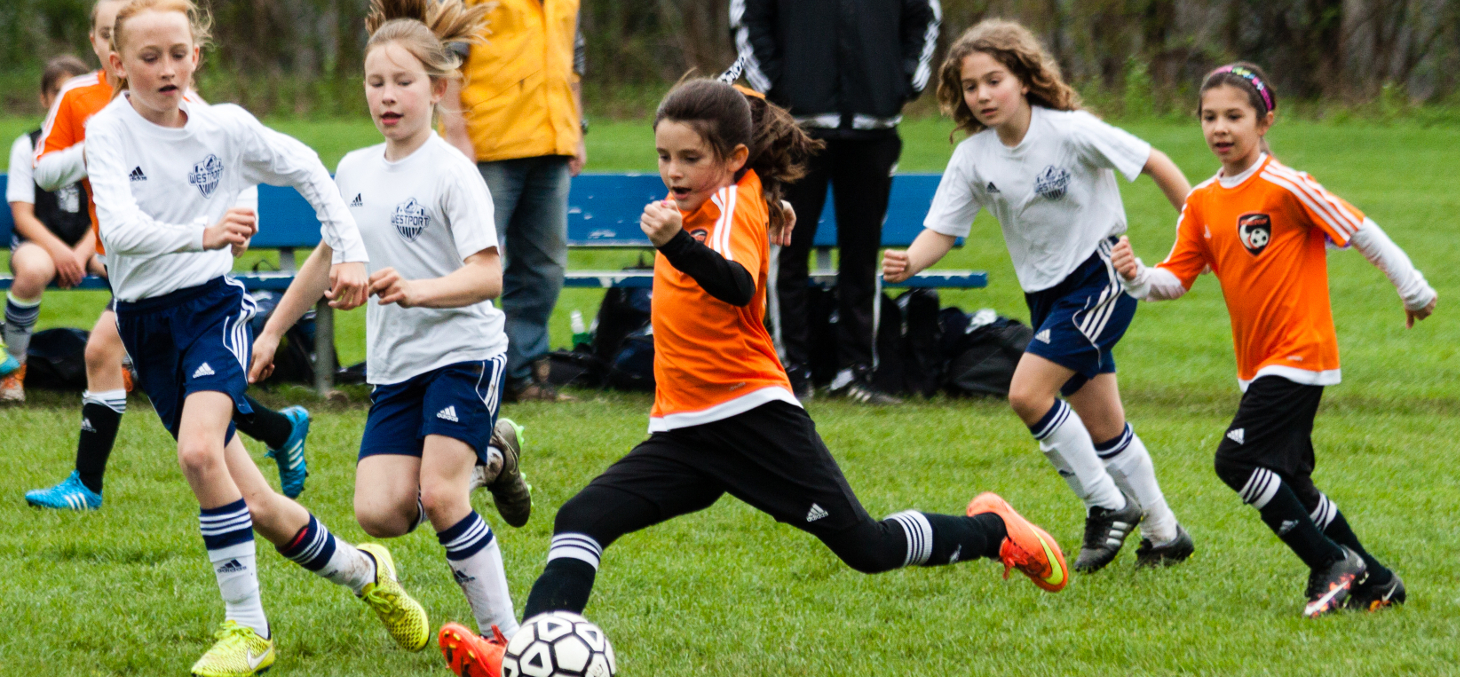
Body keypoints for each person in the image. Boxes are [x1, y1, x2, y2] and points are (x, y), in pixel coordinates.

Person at [446, 77, 1072, 677]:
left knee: (870, 549)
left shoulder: (728, 209)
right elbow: (740, 102)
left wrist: (676, 243)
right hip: (686, 432)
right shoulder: (730, 186)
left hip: (751, 418)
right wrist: (760, 187)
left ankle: (995, 531)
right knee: (582, 518)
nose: (673, 171)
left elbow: (737, 283)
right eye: (664, 156)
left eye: (690, 158)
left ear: (734, 158)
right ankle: (524, 656)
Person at [85, 1, 429, 672]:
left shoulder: (225, 128)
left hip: (210, 311)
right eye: (149, 58)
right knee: (263, 506)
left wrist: (349, 249)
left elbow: (307, 169)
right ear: (117, 65)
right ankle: (367, 572)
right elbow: (119, 231)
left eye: (179, 54)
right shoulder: (107, 131)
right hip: (146, 327)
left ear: (197, 55)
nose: (167, 69)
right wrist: (204, 231)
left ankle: (249, 628)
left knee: (196, 453)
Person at [249, 2, 534, 675]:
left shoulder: (452, 172)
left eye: (403, 82)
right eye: (375, 82)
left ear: (437, 89)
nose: (387, 96)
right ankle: (492, 457)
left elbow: (489, 274)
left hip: (464, 352)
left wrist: (415, 286)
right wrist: (273, 328)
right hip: (397, 367)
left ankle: (508, 641)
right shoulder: (352, 170)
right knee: (380, 512)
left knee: (440, 495)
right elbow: (326, 256)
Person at [1111, 62, 1436, 617]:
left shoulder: (1287, 186)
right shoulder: (1202, 202)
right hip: (1258, 364)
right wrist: (1138, 275)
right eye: (1209, 117)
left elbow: (1359, 229)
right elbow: (1176, 279)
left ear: (1264, 121)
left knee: (1235, 462)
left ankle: (1329, 564)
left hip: (1300, 354)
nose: (1220, 128)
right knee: (1293, 484)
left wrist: (1414, 289)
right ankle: (1379, 582)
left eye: (1234, 116)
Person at [881, 20, 1194, 572]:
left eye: (993, 80)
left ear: (1024, 79)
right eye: (970, 86)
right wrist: (912, 259)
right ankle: (1166, 534)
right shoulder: (975, 157)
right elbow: (943, 230)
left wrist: (1201, 233)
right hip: (1045, 298)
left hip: (1098, 280)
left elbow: (1155, 163)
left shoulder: (1070, 131)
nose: (982, 95)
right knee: (1104, 426)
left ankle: (1106, 504)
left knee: (1027, 393)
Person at [23, 0, 313, 511]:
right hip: (125, 252)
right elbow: (45, 173)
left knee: (105, 353)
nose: (163, 66)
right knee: (182, 377)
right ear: (102, 46)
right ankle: (279, 427)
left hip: (176, 267)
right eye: (108, 32)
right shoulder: (81, 101)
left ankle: (87, 483)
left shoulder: (179, 96)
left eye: (174, 53)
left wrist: (244, 217)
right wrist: (99, 149)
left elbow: (234, 156)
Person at [732, 0, 942, 404]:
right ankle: (789, 371)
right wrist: (776, 87)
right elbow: (747, 13)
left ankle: (857, 372)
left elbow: (925, 14)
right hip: (796, 126)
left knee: (862, 254)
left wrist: (903, 81)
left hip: (874, 124)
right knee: (786, 251)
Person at [439, 0, 586, 403]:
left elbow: (573, 59)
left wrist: (577, 129)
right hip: (488, 146)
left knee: (544, 266)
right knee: (470, 262)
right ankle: (460, 370)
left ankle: (522, 374)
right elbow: (446, 56)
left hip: (553, 142)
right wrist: (456, 132)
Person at [4, 55, 97, 388]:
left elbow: (109, 212)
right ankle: (13, 369)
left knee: (131, 267)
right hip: (38, 243)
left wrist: (84, 251)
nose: (64, 100)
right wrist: (60, 252)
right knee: (32, 271)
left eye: (73, 92)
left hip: (91, 241)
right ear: (45, 98)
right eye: (58, 92)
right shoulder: (26, 146)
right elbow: (22, 216)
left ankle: (126, 364)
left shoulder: (99, 144)